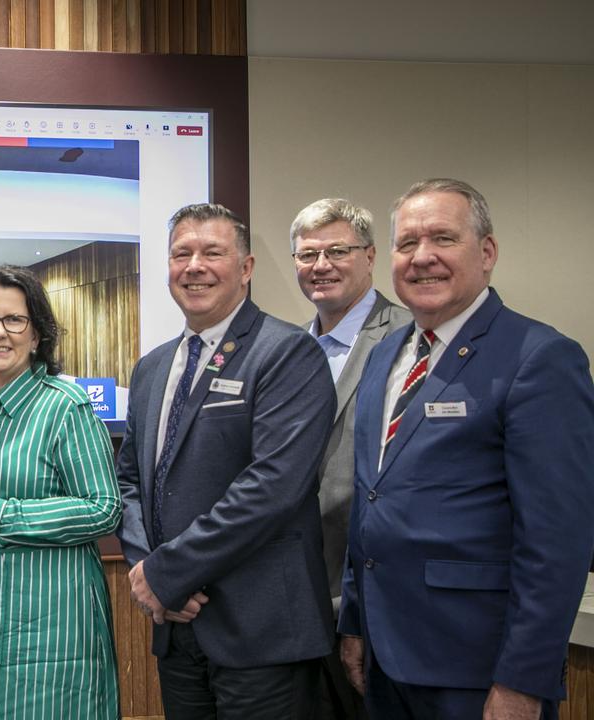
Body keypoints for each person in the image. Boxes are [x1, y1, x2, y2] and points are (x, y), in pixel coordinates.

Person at [338, 178, 594, 719]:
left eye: (442, 239)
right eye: (407, 243)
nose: (422, 257)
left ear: (488, 251)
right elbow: (370, 500)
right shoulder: (385, 357)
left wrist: (524, 681)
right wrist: (355, 624)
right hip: (386, 656)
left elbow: (557, 542)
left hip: (477, 670)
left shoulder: (539, 358)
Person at [116, 203, 336, 719]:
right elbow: (131, 482)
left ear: (246, 267)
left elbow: (273, 487)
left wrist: (169, 573)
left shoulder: (287, 353)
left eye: (212, 252)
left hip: (261, 632)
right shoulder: (151, 368)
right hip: (176, 626)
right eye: (181, 254)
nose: (194, 266)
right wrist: (147, 571)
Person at [0, 265, 121, 719]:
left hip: (50, 620)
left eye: (14, 320)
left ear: (37, 334)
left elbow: (103, 509)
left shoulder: (65, 406)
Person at [290, 198, 410, 719]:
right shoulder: (291, 349)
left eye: (337, 250)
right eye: (308, 254)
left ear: (370, 256)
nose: (321, 266)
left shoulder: (410, 339)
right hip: (298, 601)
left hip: (380, 605)